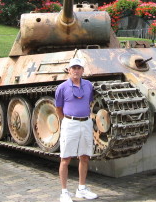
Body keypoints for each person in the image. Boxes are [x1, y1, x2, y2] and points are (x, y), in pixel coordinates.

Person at [55, 57, 98, 202]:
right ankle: (64, 192)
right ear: (69, 70)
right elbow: (58, 108)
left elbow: (90, 101)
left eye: (79, 68)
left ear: (83, 70)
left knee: (84, 156)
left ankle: (81, 188)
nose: (76, 70)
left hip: (86, 123)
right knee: (65, 158)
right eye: (73, 68)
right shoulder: (62, 87)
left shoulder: (88, 85)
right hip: (70, 123)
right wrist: (67, 121)